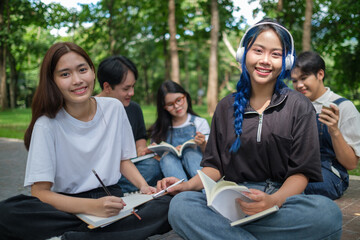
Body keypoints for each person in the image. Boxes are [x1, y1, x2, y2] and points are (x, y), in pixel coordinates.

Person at [156, 19, 342, 239]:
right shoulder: (225, 106)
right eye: (258, 51)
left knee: (328, 214)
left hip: (280, 202)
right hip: (233, 200)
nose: (265, 60)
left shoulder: (299, 106)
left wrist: (273, 201)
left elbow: (301, 173)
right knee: (181, 206)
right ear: (243, 55)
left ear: (286, 61)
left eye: (275, 54)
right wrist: (187, 186)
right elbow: (214, 166)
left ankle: (224, 232)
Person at [0, 42, 171, 240]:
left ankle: (75, 236)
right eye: (65, 74)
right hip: (66, 206)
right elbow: (40, 193)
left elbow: (123, 161)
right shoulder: (46, 124)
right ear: (52, 81)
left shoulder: (114, 108)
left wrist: (143, 186)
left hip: (110, 197)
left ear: (92, 70)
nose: (77, 80)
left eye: (82, 70)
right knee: (7, 213)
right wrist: (92, 207)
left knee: (168, 206)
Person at [291, 51, 360, 200]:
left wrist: (334, 130)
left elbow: (351, 164)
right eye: (295, 80)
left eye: (304, 78)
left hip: (328, 174)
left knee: (296, 190)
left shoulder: (343, 107)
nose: (299, 85)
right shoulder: (292, 106)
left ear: (320, 74)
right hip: (296, 170)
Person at [97, 55, 163, 193]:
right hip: (100, 172)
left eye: (133, 86)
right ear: (107, 86)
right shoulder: (89, 110)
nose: (131, 93)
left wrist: (142, 150)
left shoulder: (133, 108)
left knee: (154, 165)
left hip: (127, 168)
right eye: (126, 88)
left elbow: (140, 140)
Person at [148, 80, 210, 180]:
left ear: (185, 96)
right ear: (164, 108)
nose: (176, 106)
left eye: (179, 100)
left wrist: (203, 144)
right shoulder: (159, 128)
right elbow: (155, 158)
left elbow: (211, 155)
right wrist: (156, 151)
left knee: (190, 153)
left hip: (196, 168)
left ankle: (205, 189)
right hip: (172, 170)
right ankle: (181, 191)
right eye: (170, 104)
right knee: (168, 158)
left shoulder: (199, 122)